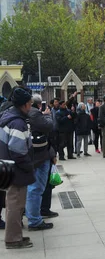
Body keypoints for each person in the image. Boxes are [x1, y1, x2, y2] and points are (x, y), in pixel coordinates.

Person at [0, 88, 35, 248]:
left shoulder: (8, 116)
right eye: (30, 103)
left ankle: (15, 235)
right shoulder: (17, 122)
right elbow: (18, 151)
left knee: (13, 202)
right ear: (25, 104)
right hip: (16, 169)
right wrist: (29, 165)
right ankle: (13, 239)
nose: (31, 106)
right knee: (15, 204)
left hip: (7, 166)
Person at [25, 93, 55, 231]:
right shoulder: (35, 113)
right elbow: (49, 127)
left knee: (32, 188)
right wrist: (47, 115)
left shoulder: (19, 114)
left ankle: (32, 216)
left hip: (33, 154)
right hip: (38, 155)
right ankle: (34, 220)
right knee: (35, 188)